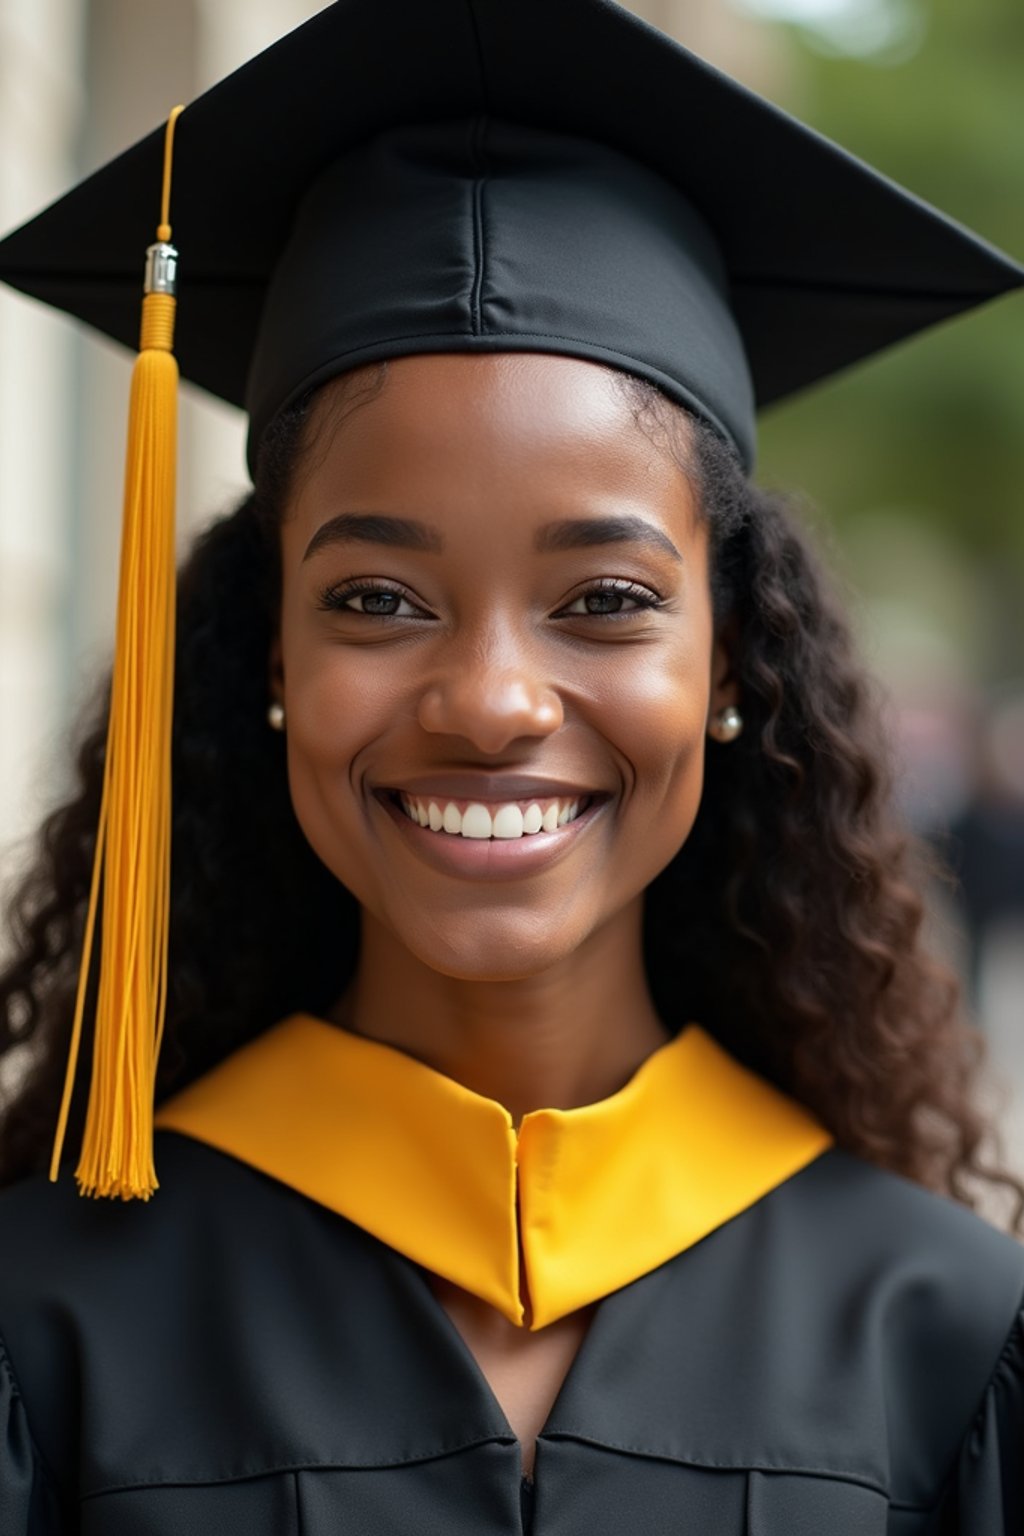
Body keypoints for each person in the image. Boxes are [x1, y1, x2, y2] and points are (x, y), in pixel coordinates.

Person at [0, 1, 1022, 1532]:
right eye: (376, 601)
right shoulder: (44, 1321)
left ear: (732, 661)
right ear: (266, 658)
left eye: (604, 601)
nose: (490, 699)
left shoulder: (942, 1336)